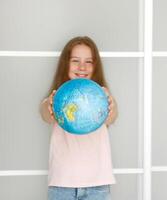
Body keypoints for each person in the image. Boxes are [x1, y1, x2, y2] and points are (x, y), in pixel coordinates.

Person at [40, 36, 118, 200]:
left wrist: (111, 106)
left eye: (89, 61)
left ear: (95, 66)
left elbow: (112, 118)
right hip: (62, 184)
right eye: (75, 60)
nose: (82, 67)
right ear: (65, 64)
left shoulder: (102, 96)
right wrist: (50, 104)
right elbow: (45, 115)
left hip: (98, 184)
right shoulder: (57, 98)